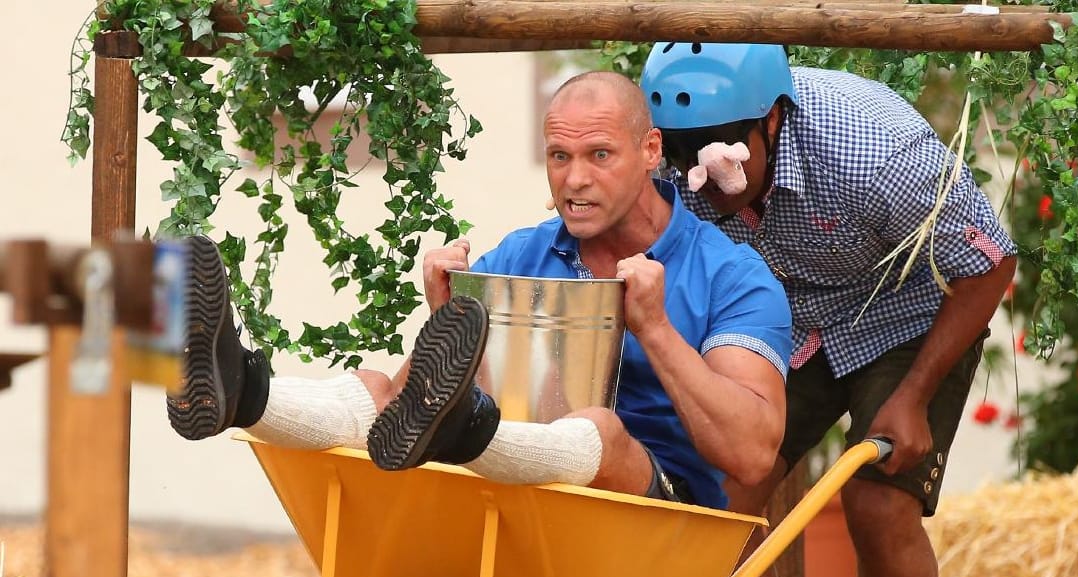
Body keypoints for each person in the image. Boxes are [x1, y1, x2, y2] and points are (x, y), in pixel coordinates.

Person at [639, 43, 1019, 577]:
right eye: (681, 151)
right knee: (721, 502)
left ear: (775, 118)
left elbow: (987, 265)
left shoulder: (875, 148)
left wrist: (913, 397)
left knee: (881, 507)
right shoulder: (672, 162)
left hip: (906, 315)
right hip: (782, 318)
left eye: (725, 144)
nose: (702, 169)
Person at [167, 70, 792, 514]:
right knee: (374, 387)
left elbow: (753, 455)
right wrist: (447, 316)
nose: (575, 179)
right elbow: (412, 397)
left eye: (599, 154)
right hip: (504, 499)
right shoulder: (525, 253)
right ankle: (242, 391)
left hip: (657, 520)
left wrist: (653, 329)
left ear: (650, 150)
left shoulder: (731, 274)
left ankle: (466, 429)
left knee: (600, 429)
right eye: (558, 155)